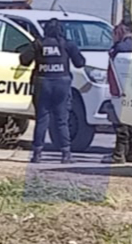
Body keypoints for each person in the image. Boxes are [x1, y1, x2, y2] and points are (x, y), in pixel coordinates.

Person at [19, 18, 85, 164]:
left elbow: (23, 60)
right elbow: (80, 63)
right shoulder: (67, 44)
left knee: (42, 119)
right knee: (62, 120)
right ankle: (66, 154)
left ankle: (37, 154)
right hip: (61, 83)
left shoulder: (39, 44)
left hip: (43, 83)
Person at [102, 19, 132, 165]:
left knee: (120, 123)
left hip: (120, 88)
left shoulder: (119, 48)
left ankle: (118, 155)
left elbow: (112, 62)